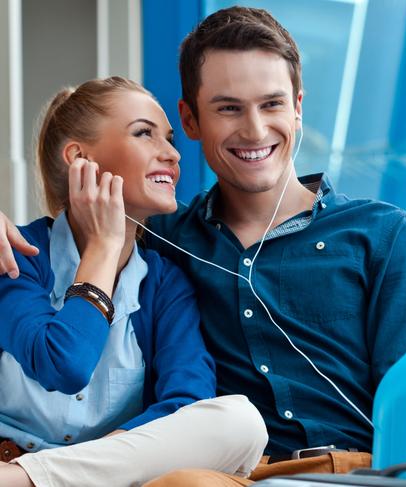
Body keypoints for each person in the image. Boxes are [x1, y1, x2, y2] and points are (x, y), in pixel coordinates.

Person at [0, 6, 406, 487]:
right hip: (228, 473)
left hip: (354, 472)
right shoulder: (164, 242)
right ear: (191, 120)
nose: (254, 130)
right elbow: (86, 238)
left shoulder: (382, 234)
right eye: (229, 108)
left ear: (298, 107)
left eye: (272, 104)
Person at [0, 77, 267, 487]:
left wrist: (92, 465)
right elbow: (63, 364)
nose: (173, 153)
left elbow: (188, 401)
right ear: (79, 158)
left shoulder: (165, 283)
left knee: (241, 423)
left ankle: (25, 479)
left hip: (87, 478)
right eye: (144, 133)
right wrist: (105, 246)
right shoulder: (17, 255)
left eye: (170, 139)